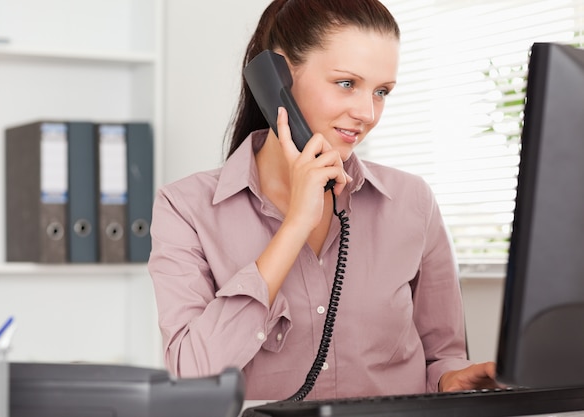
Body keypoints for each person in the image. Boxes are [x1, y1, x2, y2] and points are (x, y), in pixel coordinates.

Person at [148, 0, 499, 401]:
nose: (367, 113)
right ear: (275, 77)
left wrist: (450, 380)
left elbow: (442, 356)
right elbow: (193, 372)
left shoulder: (412, 201)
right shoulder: (185, 208)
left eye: (382, 91)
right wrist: (295, 224)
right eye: (347, 84)